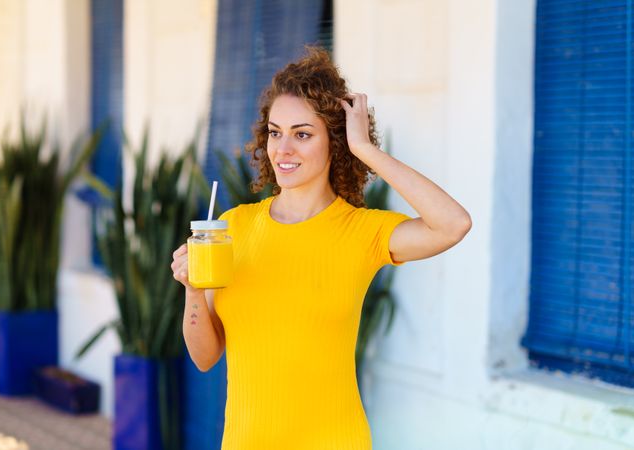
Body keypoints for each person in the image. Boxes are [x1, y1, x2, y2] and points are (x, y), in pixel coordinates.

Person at [170, 47, 471, 449]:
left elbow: (454, 224)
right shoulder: (233, 227)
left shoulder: (362, 232)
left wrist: (366, 149)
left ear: (336, 142)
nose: (283, 149)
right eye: (275, 132)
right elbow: (205, 357)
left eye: (303, 134)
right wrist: (192, 289)